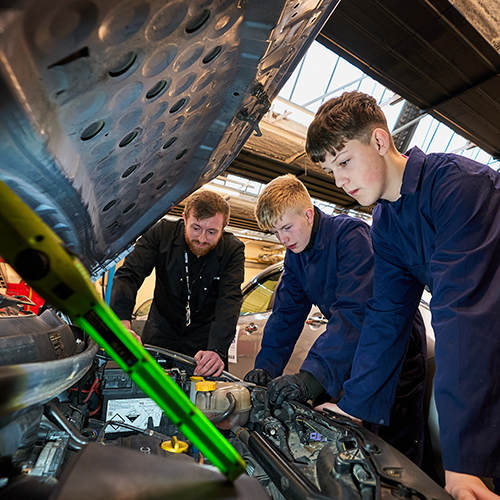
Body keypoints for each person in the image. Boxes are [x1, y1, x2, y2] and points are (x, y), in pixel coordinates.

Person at [306, 90, 500, 500]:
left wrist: (463, 463)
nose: (340, 181)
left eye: (344, 162)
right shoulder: (386, 222)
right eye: (330, 171)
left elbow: (461, 314)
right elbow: (386, 316)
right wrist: (354, 404)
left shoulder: (458, 186)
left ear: (379, 141)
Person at [244, 174, 427, 466]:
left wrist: (310, 379)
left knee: (393, 444)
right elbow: (285, 315)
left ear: (308, 214)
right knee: (354, 438)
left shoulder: (349, 236)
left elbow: (355, 312)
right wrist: (265, 368)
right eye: (276, 232)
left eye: (287, 228)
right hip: (356, 348)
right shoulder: (296, 255)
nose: (283, 239)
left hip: (395, 346)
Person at [110, 189, 245, 377]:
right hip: (161, 334)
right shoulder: (160, 233)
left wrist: (217, 350)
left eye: (212, 231)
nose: (202, 238)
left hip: (205, 346)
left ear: (224, 227)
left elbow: (229, 299)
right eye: (196, 228)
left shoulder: (233, 250)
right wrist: (122, 324)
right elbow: (129, 274)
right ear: (184, 219)